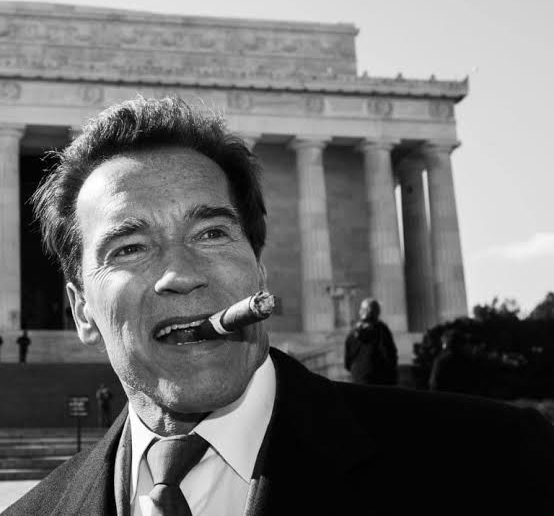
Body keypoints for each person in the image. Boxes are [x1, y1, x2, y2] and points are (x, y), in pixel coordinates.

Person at [6, 97, 554, 516]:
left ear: (259, 270)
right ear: (82, 312)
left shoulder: (493, 463)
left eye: (212, 233)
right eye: (130, 247)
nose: (181, 274)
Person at [344, 298, 398, 385]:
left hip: (358, 381)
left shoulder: (352, 333)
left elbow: (347, 363)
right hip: (378, 382)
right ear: (376, 312)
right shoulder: (381, 330)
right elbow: (390, 356)